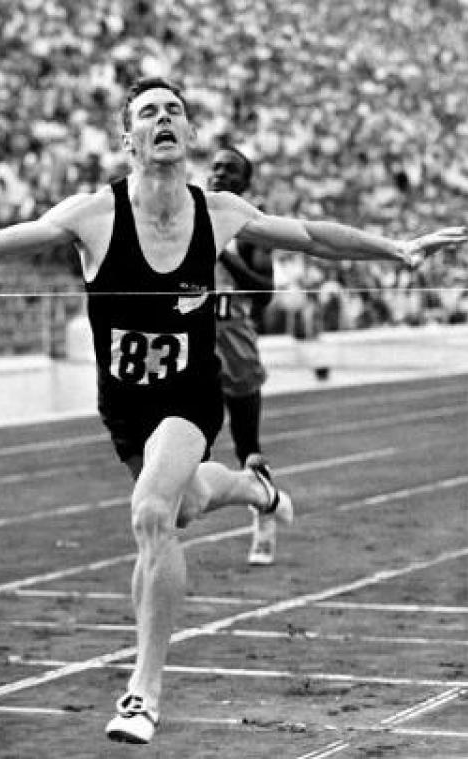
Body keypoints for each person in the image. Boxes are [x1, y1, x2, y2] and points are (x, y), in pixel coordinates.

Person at [0, 78, 466, 746]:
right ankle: (253, 487)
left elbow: (312, 237)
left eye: (175, 112)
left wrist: (394, 247)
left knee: (151, 512)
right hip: (125, 407)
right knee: (187, 503)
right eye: (148, 113)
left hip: (191, 396)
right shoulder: (91, 214)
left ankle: (143, 691)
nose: (164, 119)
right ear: (126, 137)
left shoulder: (216, 211)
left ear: (189, 136)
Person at [207, 146, 278, 566]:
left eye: (230, 170)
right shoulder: (190, 219)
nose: (219, 174)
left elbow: (265, 293)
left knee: (246, 445)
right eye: (215, 167)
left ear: (245, 183)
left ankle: (264, 514)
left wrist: (225, 255)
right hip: (193, 343)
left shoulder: (254, 227)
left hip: (236, 344)